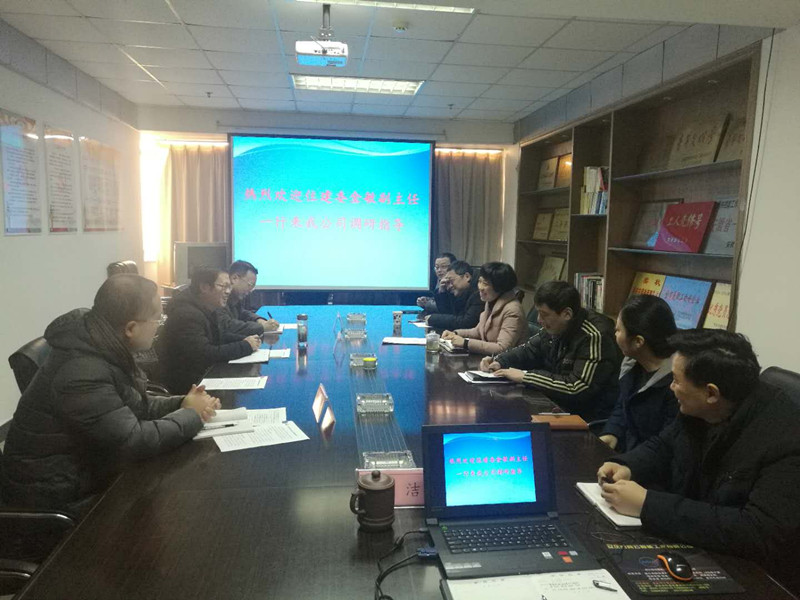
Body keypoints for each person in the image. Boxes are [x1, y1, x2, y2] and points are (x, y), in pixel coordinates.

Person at [597, 330, 800, 595]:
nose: (671, 387)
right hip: (697, 544)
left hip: (756, 577)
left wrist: (648, 505)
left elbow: (758, 532)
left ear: (711, 393)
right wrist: (628, 465)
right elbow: (665, 444)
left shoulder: (787, 439)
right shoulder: (703, 408)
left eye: (676, 380)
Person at [0, 274, 220, 517]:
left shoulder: (101, 345)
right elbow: (134, 442)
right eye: (158, 318)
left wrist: (181, 403)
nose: (160, 325)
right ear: (131, 328)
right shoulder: (82, 371)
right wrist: (191, 414)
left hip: (86, 471)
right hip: (56, 495)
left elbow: (131, 406)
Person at [482, 281, 620, 421]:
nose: (538, 319)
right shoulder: (557, 327)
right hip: (558, 406)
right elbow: (529, 350)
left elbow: (577, 387)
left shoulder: (594, 336)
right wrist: (500, 361)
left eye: (544, 314)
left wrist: (526, 377)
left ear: (567, 314)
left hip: (588, 418)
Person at [157, 266, 260, 394]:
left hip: (203, 376)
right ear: (204, 287)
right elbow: (205, 354)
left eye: (229, 287)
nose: (228, 291)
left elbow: (219, 335)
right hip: (189, 387)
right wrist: (245, 346)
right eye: (223, 286)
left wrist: (244, 340)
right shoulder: (187, 314)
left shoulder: (206, 307)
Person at [599, 295, 678, 452]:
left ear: (638, 342)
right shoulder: (632, 364)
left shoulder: (676, 384)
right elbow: (623, 407)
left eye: (618, 330)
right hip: (631, 453)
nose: (615, 333)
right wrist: (611, 433)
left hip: (651, 460)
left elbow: (666, 443)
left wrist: (628, 462)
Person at [441, 262, 528, 356]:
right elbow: (478, 332)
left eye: (485, 283)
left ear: (499, 287)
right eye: (480, 281)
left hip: (508, 364)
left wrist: (465, 343)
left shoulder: (513, 310)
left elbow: (502, 348)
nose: (480, 287)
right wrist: (455, 333)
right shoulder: (490, 302)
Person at [217, 260, 279, 339]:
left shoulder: (235, 297)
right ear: (234, 278)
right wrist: (261, 327)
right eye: (250, 285)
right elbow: (229, 325)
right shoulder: (219, 298)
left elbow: (242, 313)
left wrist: (258, 320)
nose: (250, 290)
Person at [426, 260, 482, 331]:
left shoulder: (478, 293)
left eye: (451, 281)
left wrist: (433, 319)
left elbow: (466, 322)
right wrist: (442, 293)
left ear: (467, 276)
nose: (449, 286)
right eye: (447, 282)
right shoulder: (462, 292)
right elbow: (449, 314)